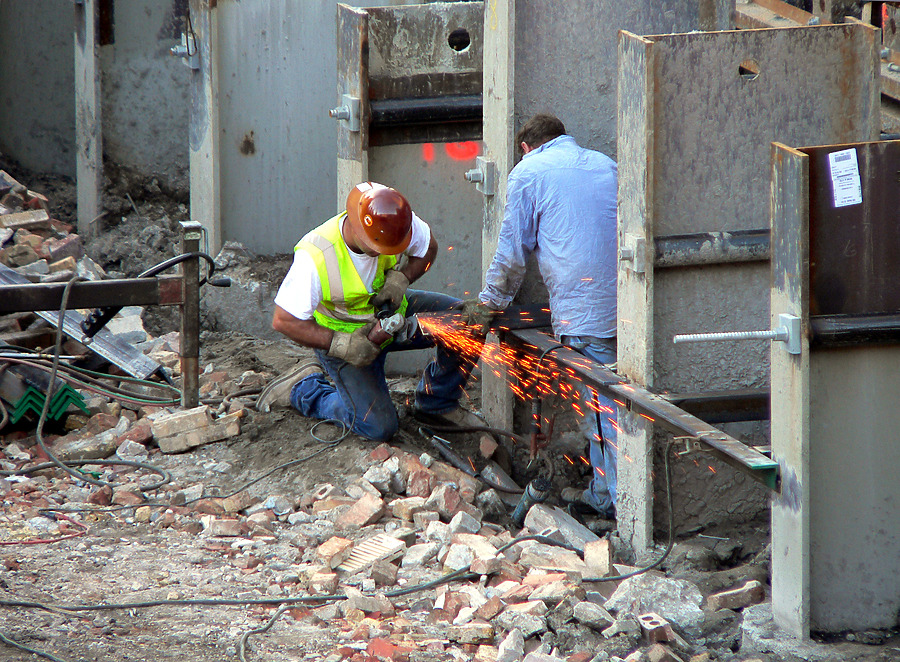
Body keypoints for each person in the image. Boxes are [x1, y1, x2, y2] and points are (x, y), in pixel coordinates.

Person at [461, 113, 619, 520]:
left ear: (527, 148)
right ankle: (606, 491)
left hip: (585, 313)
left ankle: (617, 504)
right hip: (630, 307)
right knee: (621, 402)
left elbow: (512, 258)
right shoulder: (606, 164)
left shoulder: (527, 172)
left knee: (603, 413)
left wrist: (489, 303)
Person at [258, 181, 483, 442]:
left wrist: (403, 279)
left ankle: (436, 404)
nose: (386, 254)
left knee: (467, 322)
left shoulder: (394, 216)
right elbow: (284, 320)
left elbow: (428, 248)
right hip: (346, 337)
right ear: (356, 228)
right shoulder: (316, 255)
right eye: (380, 248)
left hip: (393, 316)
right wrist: (339, 344)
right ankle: (306, 389)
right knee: (379, 428)